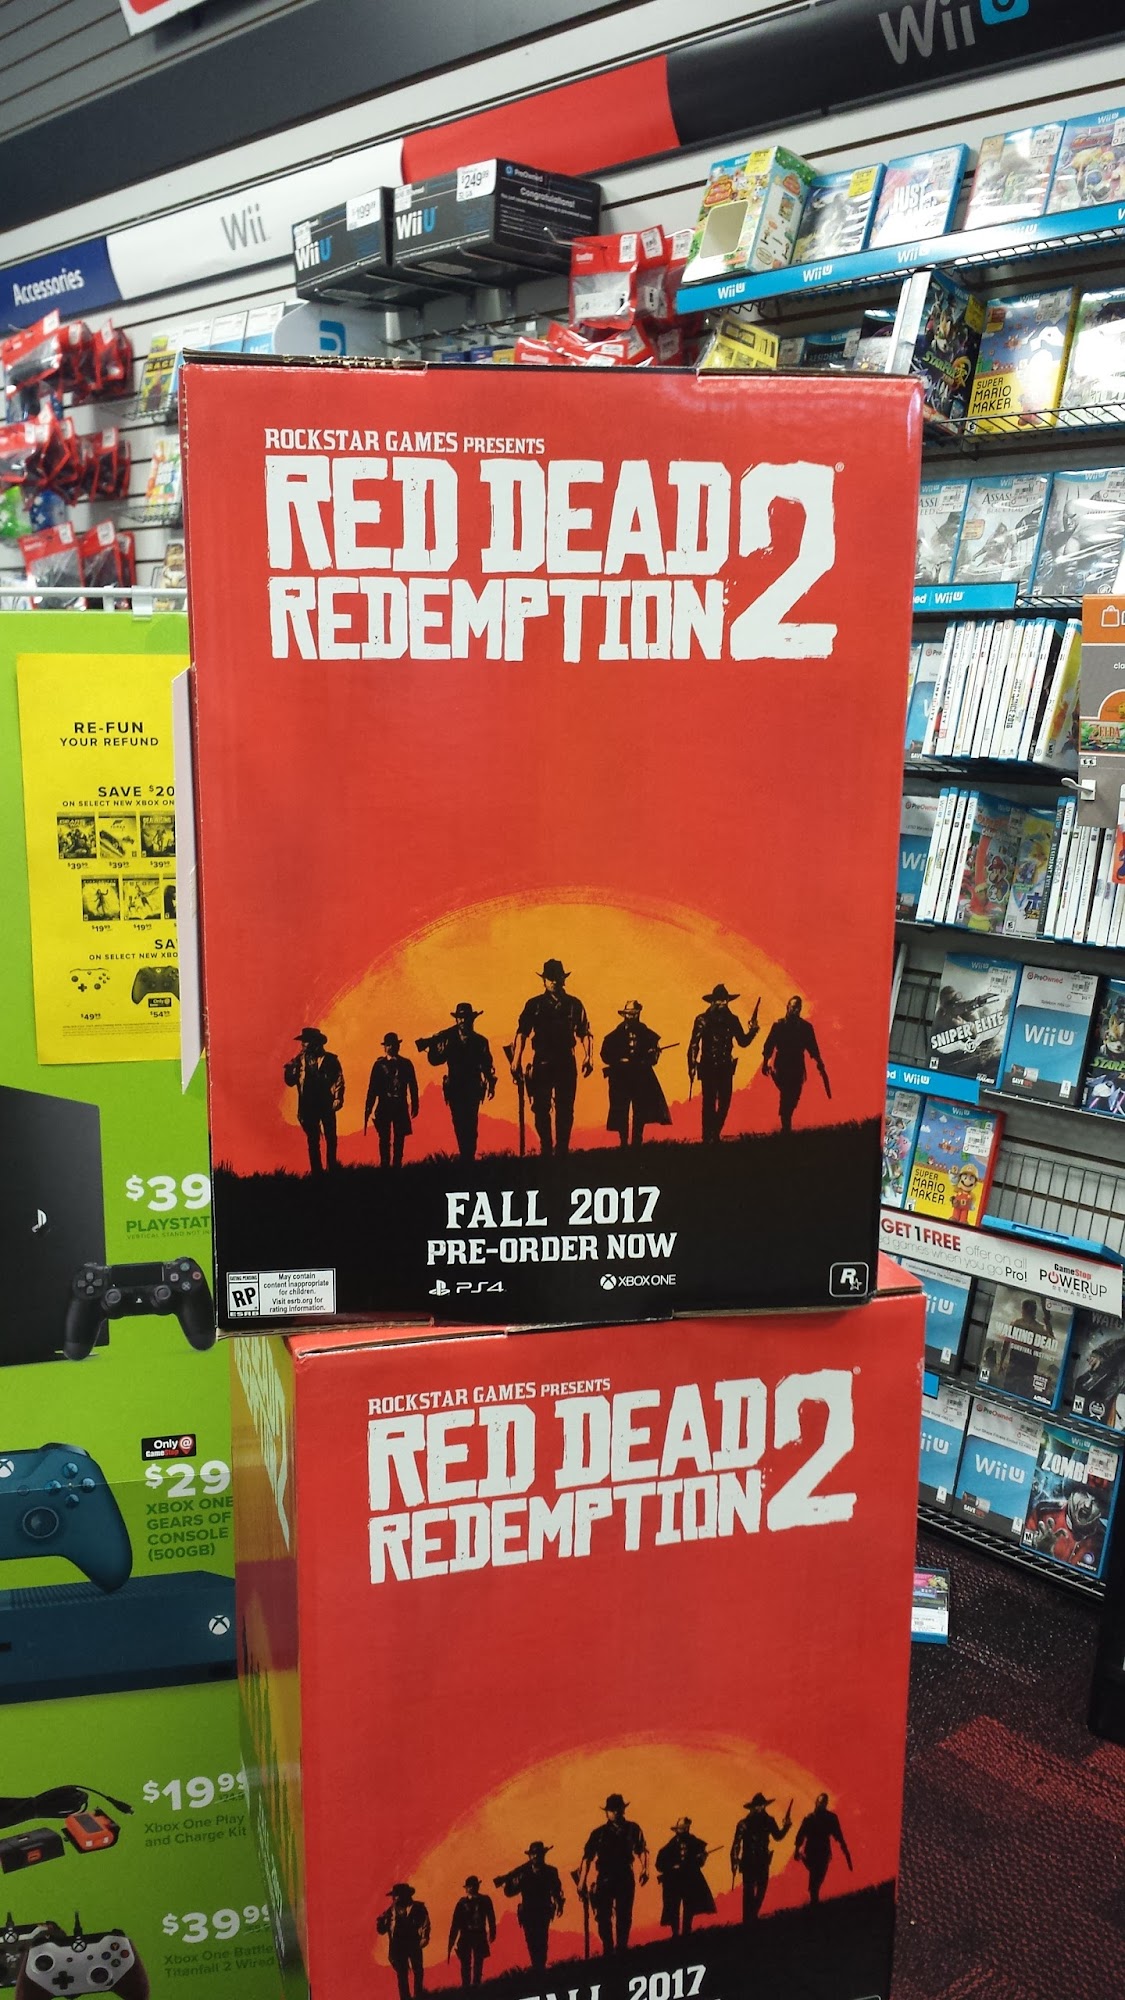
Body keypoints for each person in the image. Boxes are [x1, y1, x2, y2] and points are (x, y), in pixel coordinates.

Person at [510, 960, 593, 1157]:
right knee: (540, 1107)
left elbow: (584, 1033)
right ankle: (546, 1148)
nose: (554, 981)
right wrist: (516, 1060)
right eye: (550, 978)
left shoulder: (574, 1004)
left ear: (563, 979)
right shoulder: (534, 1005)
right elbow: (522, 1033)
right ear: (544, 980)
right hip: (542, 1062)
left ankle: (562, 1149)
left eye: (557, 977)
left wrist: (589, 1056)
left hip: (566, 1061)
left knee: (565, 1108)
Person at [416, 1005, 496, 1162]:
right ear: (457, 1020)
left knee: (471, 1123)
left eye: (466, 1018)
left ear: (472, 1020)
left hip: (473, 1087)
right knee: (459, 1123)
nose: (463, 1021)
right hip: (455, 1088)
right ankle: (466, 1155)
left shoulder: (480, 1041)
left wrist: (491, 1083)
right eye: (460, 1018)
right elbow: (436, 1061)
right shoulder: (448, 1039)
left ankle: (469, 1156)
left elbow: (487, 1065)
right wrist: (433, 1046)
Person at [577, 1792, 648, 1956]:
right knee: (603, 1916)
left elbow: (642, 1850)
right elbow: (587, 1858)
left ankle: (622, 1948)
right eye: (612, 1809)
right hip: (605, 1878)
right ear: (607, 1812)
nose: (615, 1812)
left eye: (618, 1808)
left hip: (625, 1876)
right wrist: (581, 1882)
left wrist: (645, 1868)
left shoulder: (633, 1828)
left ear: (623, 1809)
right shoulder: (598, 1833)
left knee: (624, 1915)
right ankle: (608, 1948)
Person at [687, 985, 759, 1144]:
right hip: (708, 1066)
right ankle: (707, 1137)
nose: (722, 1003)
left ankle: (714, 1133)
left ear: (728, 1001)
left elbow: (742, 1042)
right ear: (712, 1001)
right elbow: (694, 1044)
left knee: (725, 1102)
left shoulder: (733, 1020)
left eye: (724, 1000)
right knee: (709, 1103)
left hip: (726, 1066)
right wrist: (691, 1066)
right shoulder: (702, 1019)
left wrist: (753, 1031)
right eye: (719, 1000)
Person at [600, 1001, 672, 1149]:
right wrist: (619, 1060)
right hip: (620, 1078)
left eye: (633, 1014)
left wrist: (652, 1054)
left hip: (641, 1077)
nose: (630, 1017)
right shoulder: (613, 1037)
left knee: (640, 1110)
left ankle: (637, 1143)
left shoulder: (648, 1035)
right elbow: (605, 1055)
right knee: (621, 1109)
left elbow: (654, 1058)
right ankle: (623, 1143)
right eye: (628, 1014)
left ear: (638, 1014)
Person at [761, 996, 830, 1133]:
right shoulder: (779, 1025)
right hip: (782, 1065)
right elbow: (769, 1046)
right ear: (787, 1007)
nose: (795, 1010)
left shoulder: (805, 1028)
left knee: (794, 1095)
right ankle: (786, 1126)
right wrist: (765, 1063)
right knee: (786, 1094)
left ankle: (786, 1121)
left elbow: (813, 1048)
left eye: (798, 1008)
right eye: (793, 1007)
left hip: (798, 1065)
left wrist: (820, 1063)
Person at [493, 1842, 565, 1972]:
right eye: (533, 1854)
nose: (535, 1856)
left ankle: (540, 1967)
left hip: (543, 1910)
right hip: (528, 1913)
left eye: (538, 1854)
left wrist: (559, 1904)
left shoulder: (551, 1872)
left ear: (543, 1855)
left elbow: (557, 1890)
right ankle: (537, 1967)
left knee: (542, 1939)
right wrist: (507, 1883)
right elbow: (510, 1892)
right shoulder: (523, 1873)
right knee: (531, 1941)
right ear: (530, 1856)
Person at [283, 1026, 345, 1173]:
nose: (303, 1044)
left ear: (315, 1043)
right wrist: (289, 1070)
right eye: (303, 1041)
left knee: (331, 1138)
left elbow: (339, 1080)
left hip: (326, 1103)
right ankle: (317, 1172)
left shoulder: (330, 1060)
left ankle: (331, 1169)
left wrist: (338, 1098)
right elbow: (290, 1082)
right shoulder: (298, 1061)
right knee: (313, 1140)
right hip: (308, 1106)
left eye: (306, 1041)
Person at [730, 1792, 791, 1922]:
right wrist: (734, 1861)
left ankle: (752, 1917)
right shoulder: (743, 1824)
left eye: (761, 1805)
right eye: (757, 1806)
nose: (759, 1808)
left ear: (764, 1806)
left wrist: (786, 1826)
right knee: (748, 1892)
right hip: (748, 1862)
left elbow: (778, 1836)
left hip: (763, 1861)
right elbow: (736, 1844)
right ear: (752, 1807)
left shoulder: (769, 1821)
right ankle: (748, 1920)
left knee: (761, 1890)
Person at [364, 1034, 420, 1169]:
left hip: (400, 1105)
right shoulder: (378, 1065)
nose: (391, 1047)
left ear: (398, 1046)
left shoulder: (406, 1064)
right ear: (384, 1047)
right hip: (384, 1105)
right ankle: (384, 1165)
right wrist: (368, 1107)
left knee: (399, 1137)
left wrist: (415, 1104)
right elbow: (372, 1088)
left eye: (394, 1045)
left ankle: (397, 1165)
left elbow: (413, 1085)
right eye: (388, 1045)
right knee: (384, 1137)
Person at [654, 1818, 716, 1938]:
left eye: (683, 1829)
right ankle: (675, 1933)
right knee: (673, 1906)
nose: (681, 1831)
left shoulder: (695, 1842)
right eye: (680, 1829)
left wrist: (702, 1858)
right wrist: (672, 1867)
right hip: (674, 1880)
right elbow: (659, 1865)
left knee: (690, 1906)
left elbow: (700, 1862)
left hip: (690, 1879)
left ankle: (687, 1931)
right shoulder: (669, 1846)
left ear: (687, 1828)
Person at [793, 1794, 851, 1906]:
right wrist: (797, 1850)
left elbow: (838, 1835)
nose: (821, 1805)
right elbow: (800, 1835)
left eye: (824, 1803)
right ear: (816, 1803)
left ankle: (813, 1898)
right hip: (811, 1852)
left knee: (818, 1878)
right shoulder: (809, 1818)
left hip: (824, 1853)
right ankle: (814, 1902)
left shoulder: (831, 1818)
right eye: (820, 1802)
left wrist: (845, 1849)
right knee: (815, 1879)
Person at [376, 1882, 430, 2000]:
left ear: (405, 1895)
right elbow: (381, 1931)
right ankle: (405, 1998)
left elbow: (426, 1923)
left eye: (396, 1895)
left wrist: (424, 1938)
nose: (394, 1898)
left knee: (418, 1970)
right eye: (394, 1896)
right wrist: (380, 1922)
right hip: (398, 1947)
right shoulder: (390, 1911)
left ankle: (418, 1995)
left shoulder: (418, 1907)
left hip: (414, 1943)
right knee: (402, 1974)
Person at [447, 1875, 495, 1988]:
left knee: (478, 1961)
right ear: (467, 1888)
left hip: (479, 1934)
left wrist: (493, 1932)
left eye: (474, 1886)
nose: (472, 1888)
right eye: (470, 1886)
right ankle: (466, 1986)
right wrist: (452, 1940)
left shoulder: (485, 1900)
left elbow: (491, 1917)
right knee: (465, 1963)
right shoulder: (461, 1903)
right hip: (466, 1935)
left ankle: (476, 1984)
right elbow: (455, 1923)